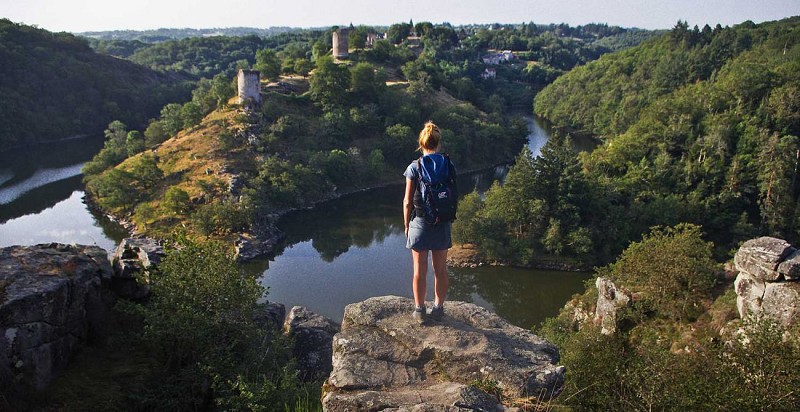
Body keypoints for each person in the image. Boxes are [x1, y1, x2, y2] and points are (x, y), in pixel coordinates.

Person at [403, 121, 453, 322]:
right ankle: (439, 308)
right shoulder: (448, 164)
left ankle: (419, 310)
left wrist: (407, 225)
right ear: (438, 143)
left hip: (420, 223)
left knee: (419, 270)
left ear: (421, 143)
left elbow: (407, 201)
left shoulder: (414, 167)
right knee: (440, 270)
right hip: (442, 223)